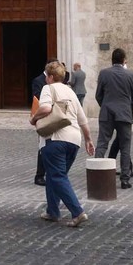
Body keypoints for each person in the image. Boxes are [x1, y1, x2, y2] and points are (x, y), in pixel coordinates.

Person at [30, 61, 95, 227]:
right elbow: (83, 120)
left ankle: (77, 212)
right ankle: (53, 211)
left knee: (58, 176)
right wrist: (88, 139)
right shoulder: (71, 92)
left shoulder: (48, 88)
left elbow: (44, 108)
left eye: (47, 76)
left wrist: (34, 118)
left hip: (56, 138)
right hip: (74, 140)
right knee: (54, 176)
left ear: (50, 77)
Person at [93, 48, 133, 189]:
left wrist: (105, 105)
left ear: (112, 59)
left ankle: (97, 177)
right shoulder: (130, 74)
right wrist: (129, 107)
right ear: (124, 59)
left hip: (107, 113)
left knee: (102, 144)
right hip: (124, 114)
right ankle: (125, 180)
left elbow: (98, 95)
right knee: (125, 147)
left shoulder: (104, 73)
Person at [31, 64, 50, 185]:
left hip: (53, 117)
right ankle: (39, 175)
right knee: (42, 146)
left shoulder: (57, 84)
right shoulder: (39, 80)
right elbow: (36, 97)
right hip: (43, 116)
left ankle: (49, 173)